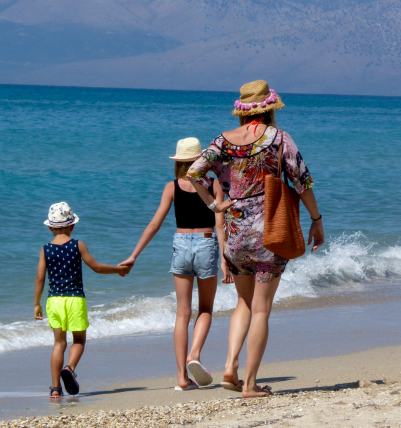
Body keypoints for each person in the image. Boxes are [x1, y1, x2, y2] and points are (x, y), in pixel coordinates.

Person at [185, 80, 325, 398]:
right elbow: (302, 183)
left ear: (242, 113)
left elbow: (192, 173)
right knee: (261, 310)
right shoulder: (279, 139)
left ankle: (231, 369)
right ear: (269, 109)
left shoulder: (223, 141)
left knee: (244, 304)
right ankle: (249, 384)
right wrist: (317, 221)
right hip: (269, 234)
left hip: (234, 236)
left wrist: (213, 204)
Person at [120, 138, 230, 391]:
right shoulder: (213, 185)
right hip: (205, 243)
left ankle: (182, 378)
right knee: (205, 309)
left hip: (180, 244)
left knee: (182, 314)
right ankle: (194, 354)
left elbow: (155, 224)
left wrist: (134, 255)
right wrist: (225, 259)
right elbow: (220, 225)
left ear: (178, 161)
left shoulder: (171, 187)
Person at [34, 202, 129, 398]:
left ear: (50, 227)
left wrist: (36, 303)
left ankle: (54, 388)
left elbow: (40, 278)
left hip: (54, 301)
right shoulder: (78, 245)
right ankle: (69, 368)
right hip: (75, 299)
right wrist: (119, 270)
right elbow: (97, 267)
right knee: (79, 340)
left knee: (59, 344)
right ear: (73, 226)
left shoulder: (45, 250)